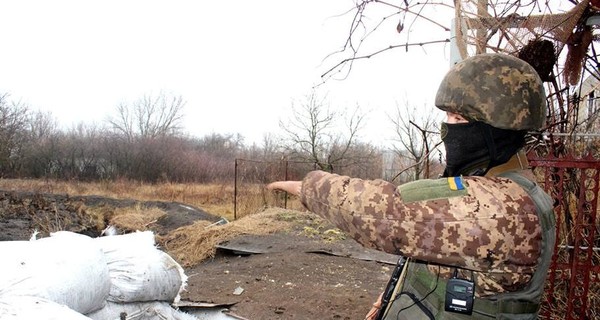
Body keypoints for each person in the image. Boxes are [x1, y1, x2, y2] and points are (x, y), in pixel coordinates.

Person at [267, 53, 555, 319]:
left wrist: (309, 186)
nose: (448, 128)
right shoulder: (496, 185)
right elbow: (436, 251)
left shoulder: (507, 208)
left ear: (497, 130)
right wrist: (392, 296)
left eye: (459, 119)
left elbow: (388, 214)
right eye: (447, 117)